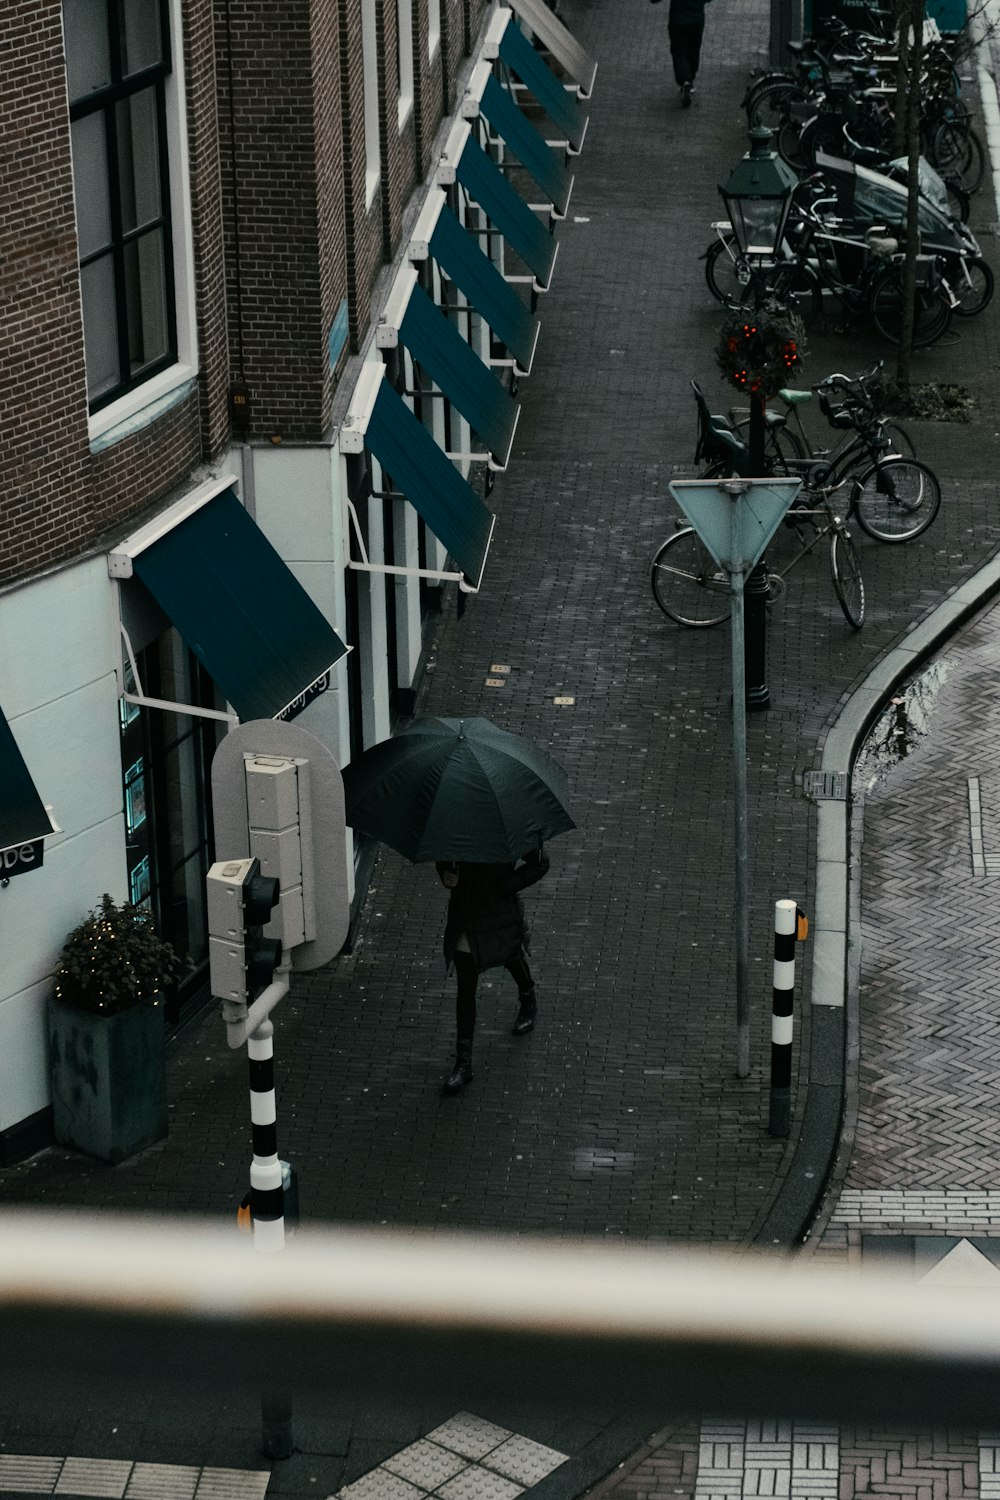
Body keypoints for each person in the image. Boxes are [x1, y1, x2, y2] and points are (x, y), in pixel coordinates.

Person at [435, 846, 550, 1095]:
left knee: (510, 956)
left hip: (497, 912)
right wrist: (446, 874)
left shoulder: (504, 826)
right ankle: (463, 1063)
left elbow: (540, 862)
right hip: (465, 916)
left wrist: (504, 887)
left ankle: (527, 993)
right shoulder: (454, 827)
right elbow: (443, 858)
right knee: (466, 986)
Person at [650, 0, 713, 108]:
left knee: (679, 51)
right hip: (696, 20)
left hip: (677, 20)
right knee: (693, 50)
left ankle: (685, 80)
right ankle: (690, 78)